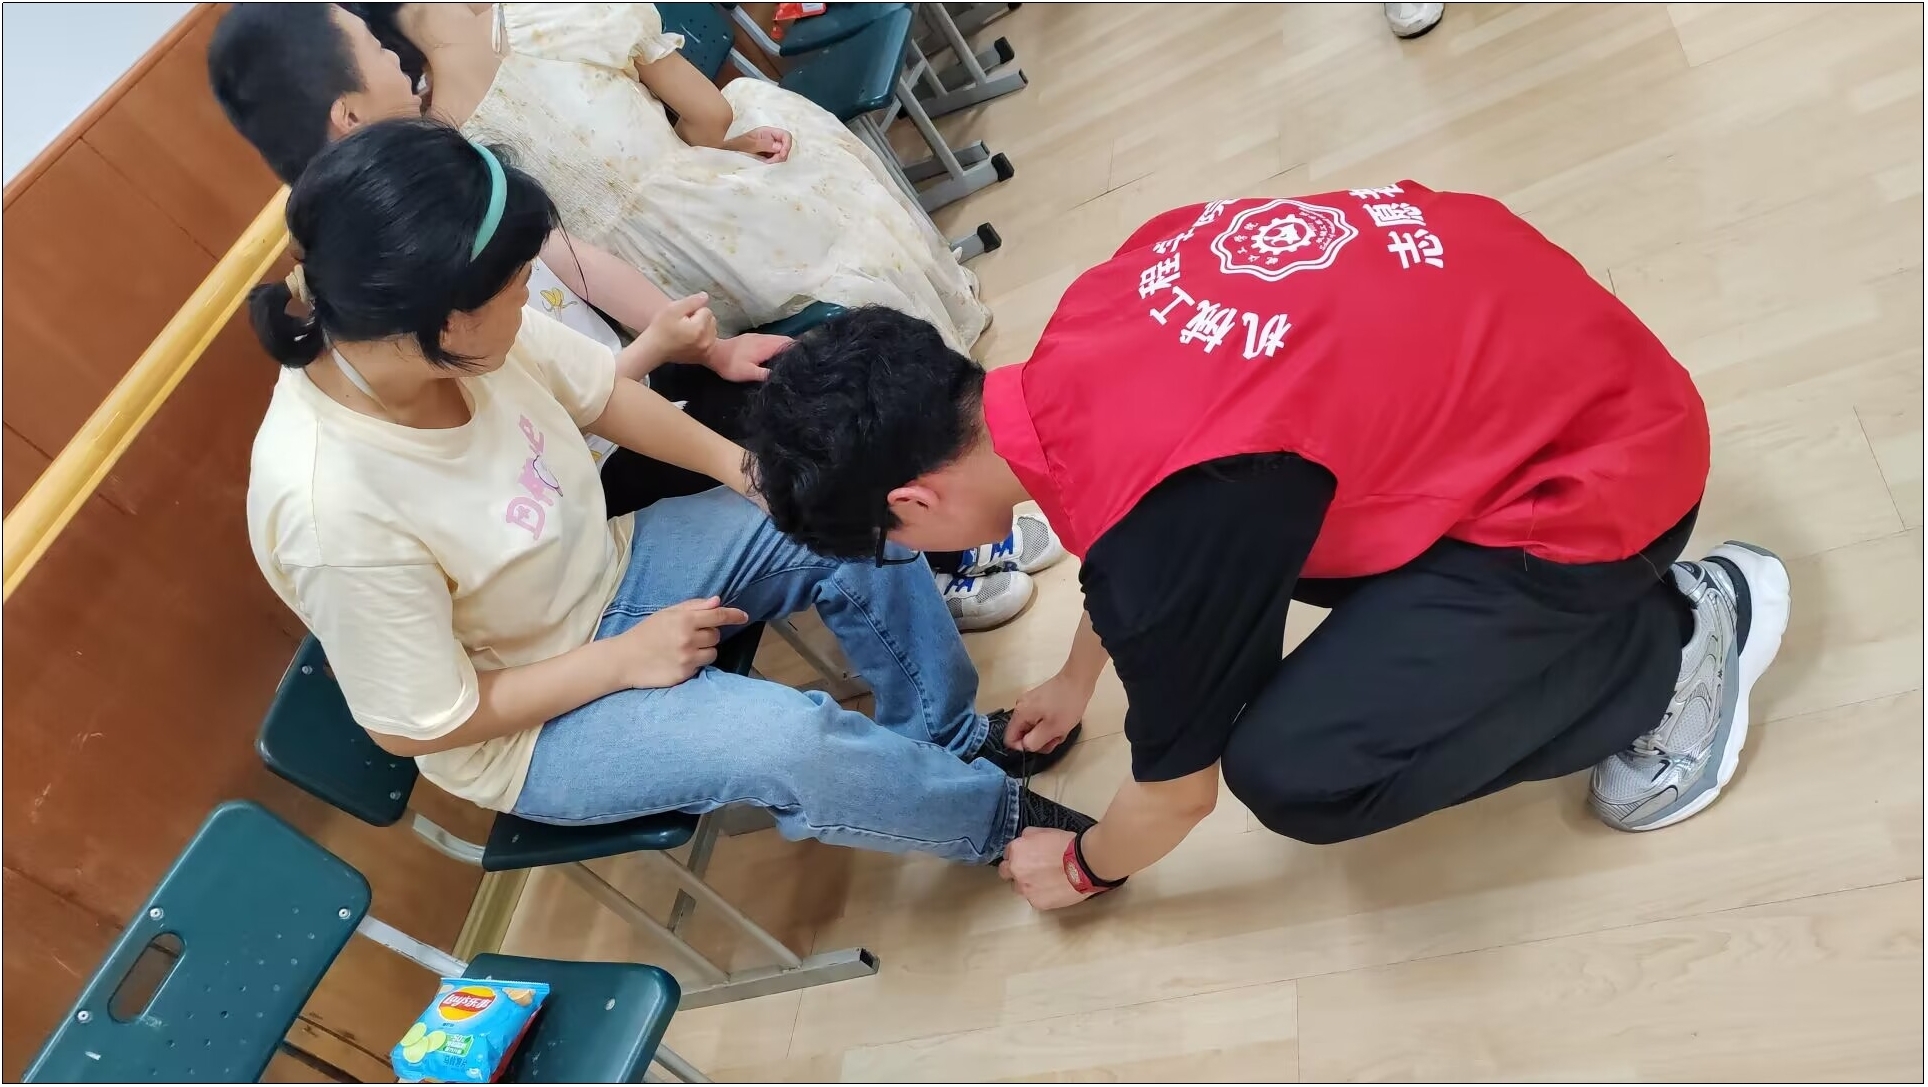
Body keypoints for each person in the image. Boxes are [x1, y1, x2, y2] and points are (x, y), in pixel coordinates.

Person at [740, 183, 1792, 910]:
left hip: (1610, 481)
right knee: (1278, 523)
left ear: (913, 502)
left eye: (896, 542)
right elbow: (1133, 519)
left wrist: (1085, 864)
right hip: (1568, 360)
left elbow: (1176, 793)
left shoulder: (1161, 535)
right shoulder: (1096, 308)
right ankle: (1603, 615)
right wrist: (1077, 675)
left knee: (1296, 772)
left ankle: (1670, 653)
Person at [244, 117, 1094, 866]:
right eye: (514, 290)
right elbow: (418, 723)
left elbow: (603, 396)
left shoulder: (442, 334)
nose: (529, 299)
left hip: (612, 571)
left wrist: (753, 477)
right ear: (443, 319)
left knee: (839, 504)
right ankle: (997, 824)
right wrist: (620, 660)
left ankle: (944, 740)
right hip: (526, 726)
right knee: (789, 738)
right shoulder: (329, 505)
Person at [208, 2, 1057, 627]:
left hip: (626, 393)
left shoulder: (423, 161)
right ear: (347, 114)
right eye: (373, 51)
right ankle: (937, 557)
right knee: (810, 431)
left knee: (816, 376)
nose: (399, 63)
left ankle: (946, 530)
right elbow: (531, 442)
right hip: (588, 477)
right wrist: (654, 355)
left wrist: (709, 351)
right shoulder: (376, 273)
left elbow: (566, 256)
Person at [351, 3, 989, 351]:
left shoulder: (435, 134)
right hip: (714, 222)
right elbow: (710, 116)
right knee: (763, 109)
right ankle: (931, 324)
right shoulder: (559, 16)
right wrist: (715, 146)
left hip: (645, 301)